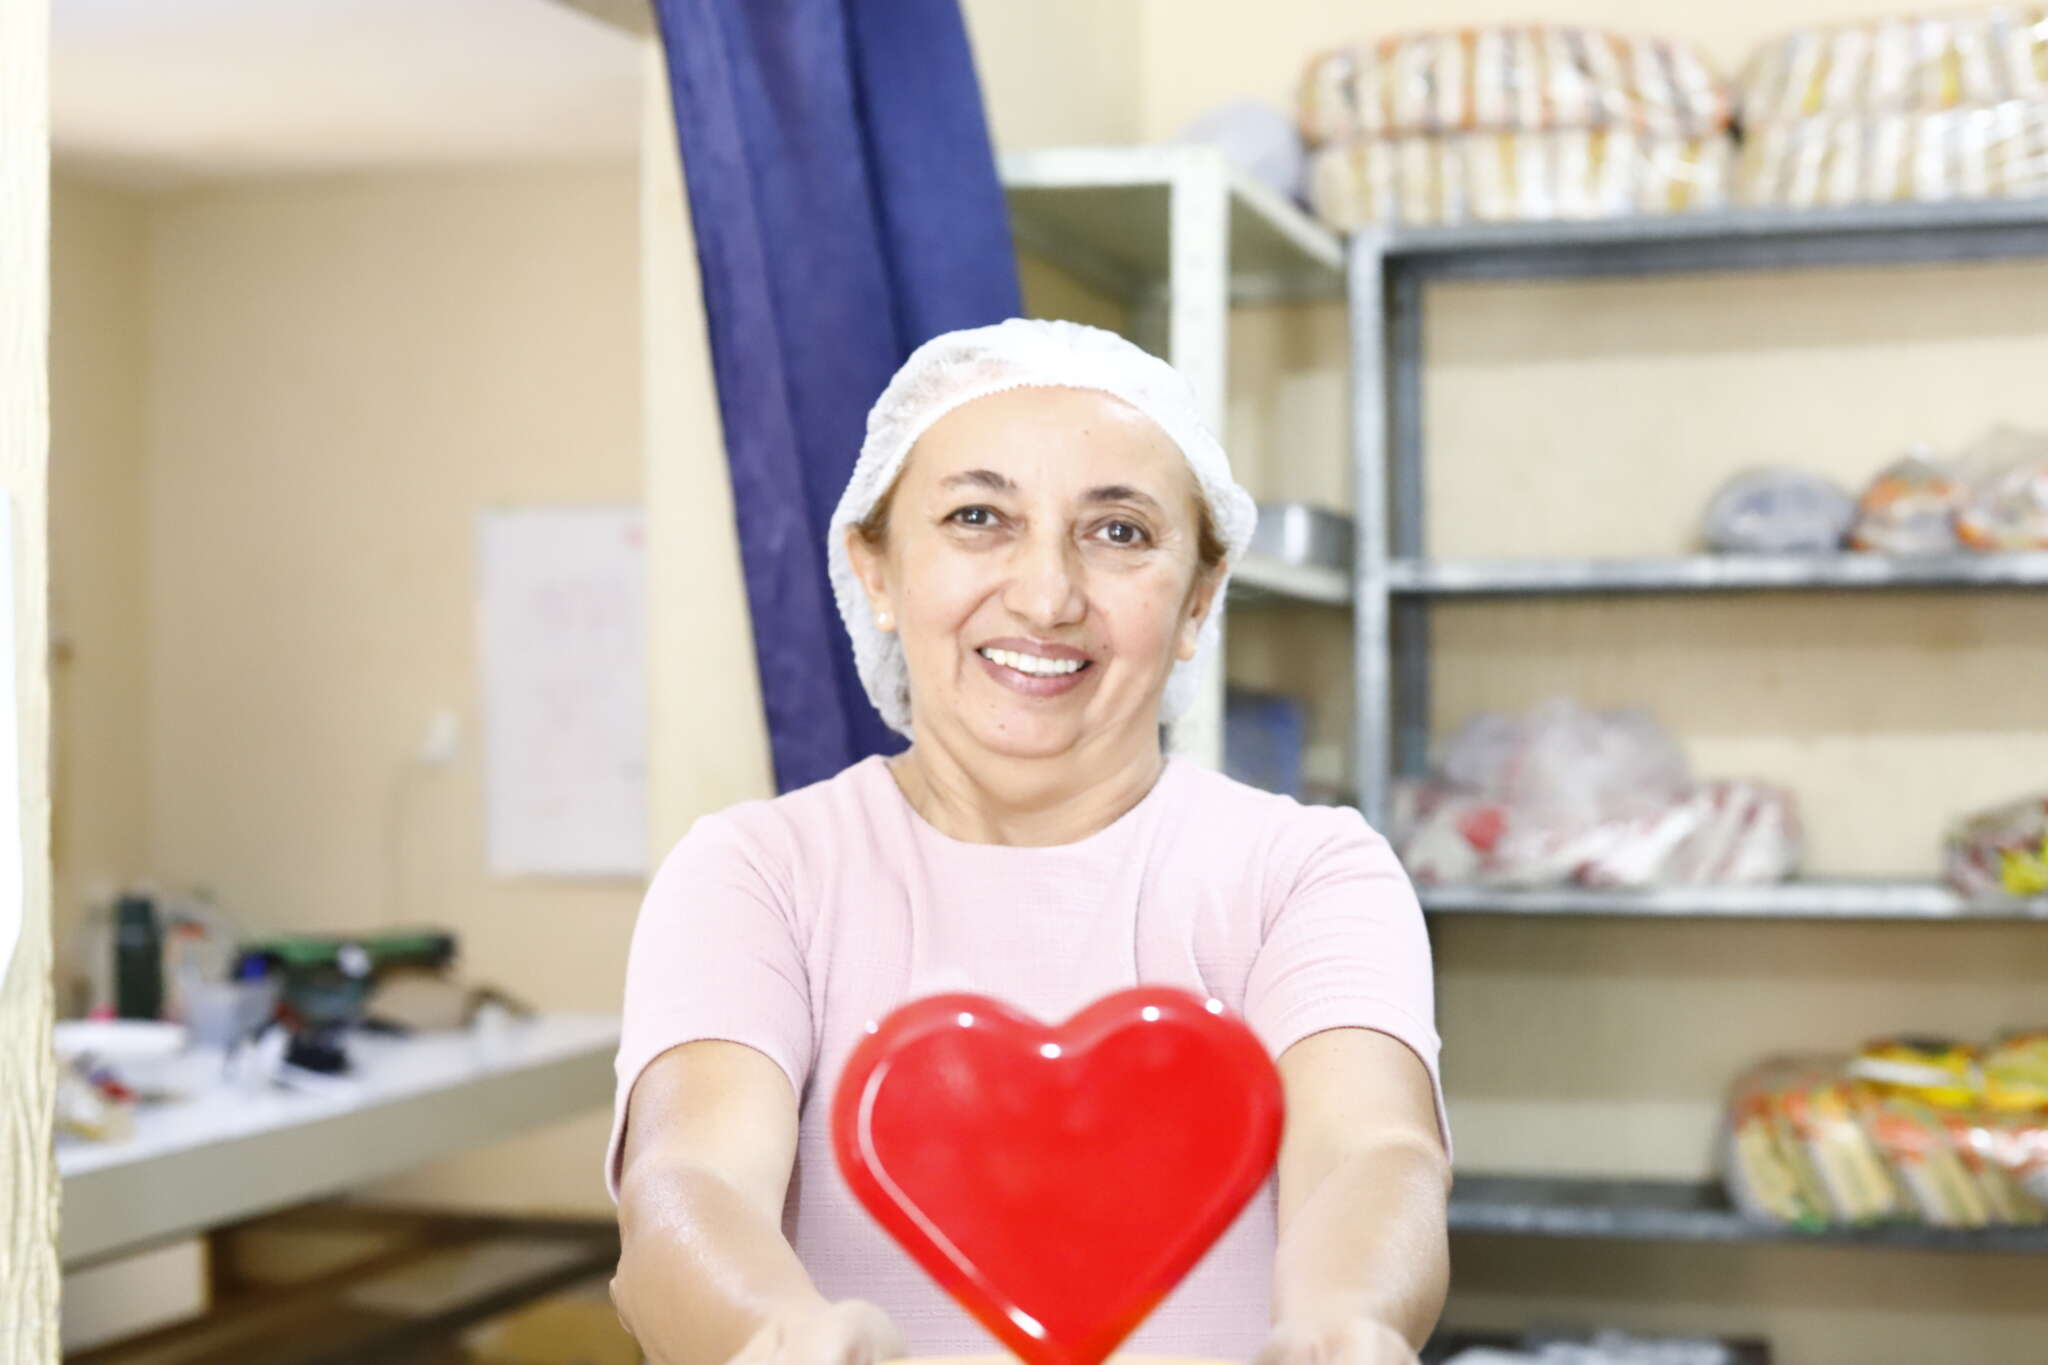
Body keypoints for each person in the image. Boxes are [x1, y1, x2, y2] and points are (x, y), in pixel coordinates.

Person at [607, 319, 1451, 1365]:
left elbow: (1368, 1150)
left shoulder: (1303, 875)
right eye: (976, 517)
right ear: (874, 567)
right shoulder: (759, 875)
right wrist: (774, 1337)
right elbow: (687, 1182)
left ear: (1197, 597)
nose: (1046, 595)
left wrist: (1345, 1325)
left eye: (1119, 533)